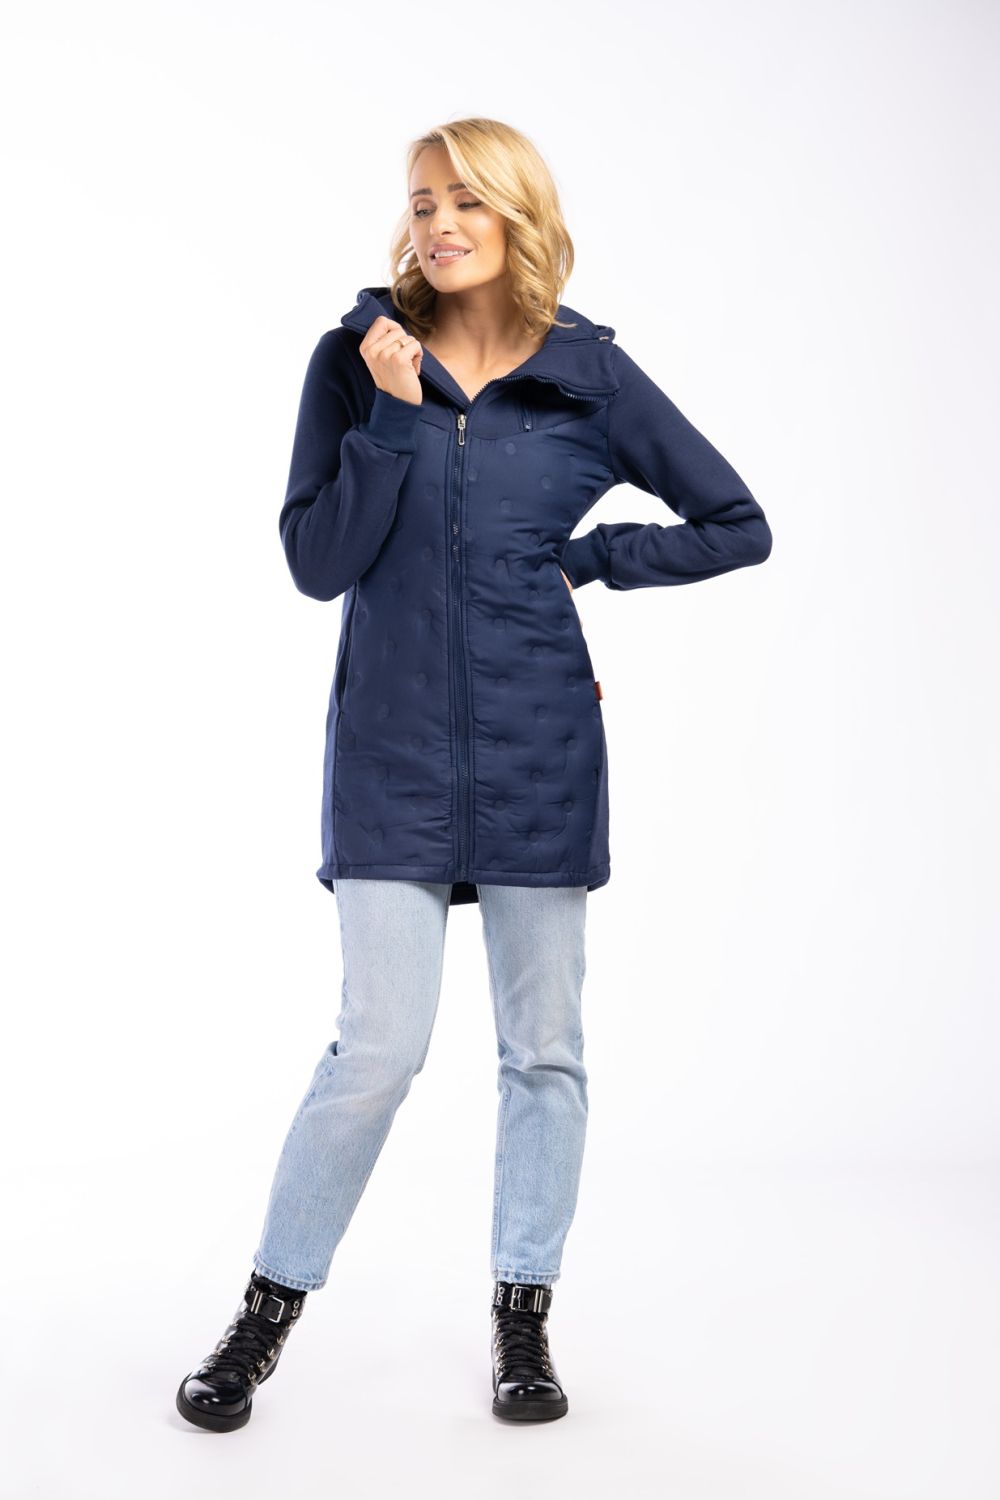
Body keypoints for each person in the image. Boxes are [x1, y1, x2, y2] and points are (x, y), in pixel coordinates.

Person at [175, 116, 773, 1433]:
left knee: (543, 1049)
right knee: (377, 1047)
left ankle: (522, 1317)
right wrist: (392, 418)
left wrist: (591, 560)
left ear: (518, 216)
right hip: (388, 748)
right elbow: (317, 563)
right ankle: (264, 1314)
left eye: (468, 201)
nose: (440, 223)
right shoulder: (357, 360)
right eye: (422, 200)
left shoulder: (587, 375)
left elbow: (739, 523)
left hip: (538, 746)